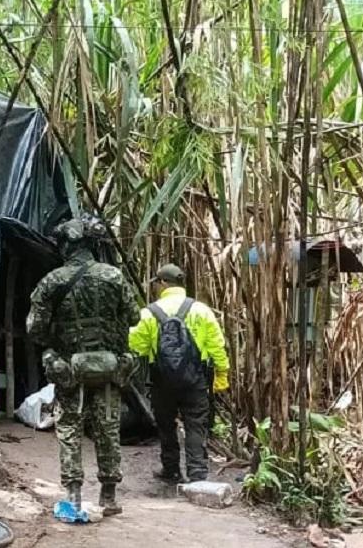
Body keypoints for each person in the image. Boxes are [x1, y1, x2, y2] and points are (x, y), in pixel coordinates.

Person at [27, 215, 139, 516]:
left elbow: (34, 329)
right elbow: (133, 317)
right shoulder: (114, 277)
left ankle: (74, 495)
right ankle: (109, 496)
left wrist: (58, 343)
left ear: (67, 245)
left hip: (69, 370)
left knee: (69, 429)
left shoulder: (53, 281)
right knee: (108, 428)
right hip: (109, 369)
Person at [129, 263, 229, 482]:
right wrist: (222, 373)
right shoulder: (201, 310)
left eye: (157, 283)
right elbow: (216, 346)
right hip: (195, 379)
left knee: (166, 426)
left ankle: (171, 470)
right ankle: (197, 474)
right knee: (196, 424)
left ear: (163, 283)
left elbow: (137, 347)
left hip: (162, 380)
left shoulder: (148, 313)